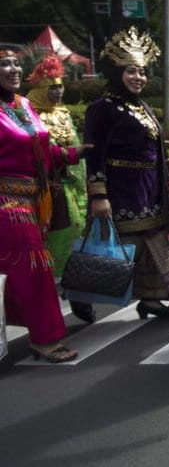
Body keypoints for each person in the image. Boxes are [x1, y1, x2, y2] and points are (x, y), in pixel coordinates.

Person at [85, 26, 169, 320]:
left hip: (150, 189)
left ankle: (153, 300)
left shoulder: (142, 106)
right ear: (116, 71)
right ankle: (83, 293)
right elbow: (94, 154)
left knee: (155, 245)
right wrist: (98, 195)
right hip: (119, 192)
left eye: (143, 72)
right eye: (131, 71)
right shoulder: (103, 108)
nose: (138, 78)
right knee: (111, 249)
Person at [0, 46, 85, 362]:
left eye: (16, 64)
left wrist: (73, 154)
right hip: (7, 205)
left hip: (35, 201)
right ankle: (45, 339)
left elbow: (40, 150)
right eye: (5, 65)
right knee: (35, 269)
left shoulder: (22, 105)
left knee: (19, 272)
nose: (14, 70)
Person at [26, 55, 87, 279]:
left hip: (69, 178)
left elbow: (75, 144)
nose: (58, 92)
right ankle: (49, 271)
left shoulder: (63, 112)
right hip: (45, 181)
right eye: (52, 88)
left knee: (73, 223)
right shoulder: (29, 113)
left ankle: (66, 269)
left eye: (60, 88)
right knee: (52, 226)